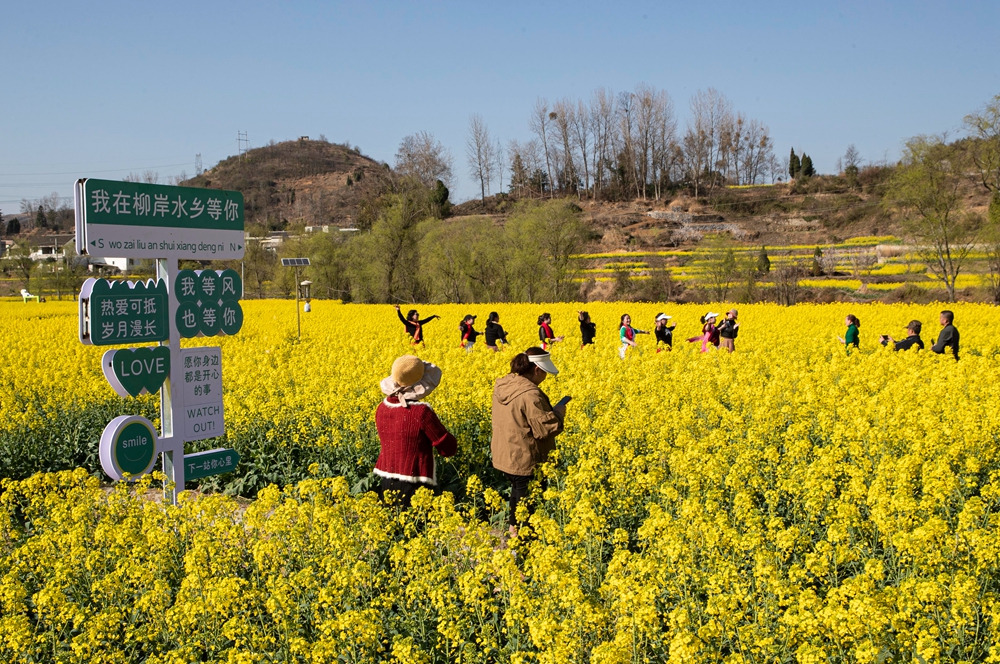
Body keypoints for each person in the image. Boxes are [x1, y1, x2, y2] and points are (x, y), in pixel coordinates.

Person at [491, 348, 567, 537]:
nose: (545, 376)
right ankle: (522, 543)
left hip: (506, 454)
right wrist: (558, 413)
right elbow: (545, 429)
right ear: (536, 370)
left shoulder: (504, 385)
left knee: (517, 494)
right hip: (525, 457)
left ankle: (513, 530)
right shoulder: (530, 394)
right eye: (545, 372)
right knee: (527, 504)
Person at [374, 355, 457, 507]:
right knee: (416, 527)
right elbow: (447, 448)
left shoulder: (382, 407)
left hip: (387, 480)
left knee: (391, 526)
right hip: (416, 483)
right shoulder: (421, 412)